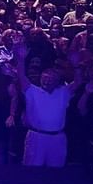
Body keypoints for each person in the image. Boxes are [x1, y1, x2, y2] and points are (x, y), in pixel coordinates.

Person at [14, 37, 71, 167]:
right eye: (44, 78)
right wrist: (21, 59)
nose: (47, 81)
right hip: (36, 137)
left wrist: (76, 65)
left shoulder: (63, 92)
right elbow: (21, 76)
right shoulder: (32, 91)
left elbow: (78, 82)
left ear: (57, 81)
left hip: (57, 138)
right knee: (32, 170)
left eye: (50, 79)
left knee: (56, 172)